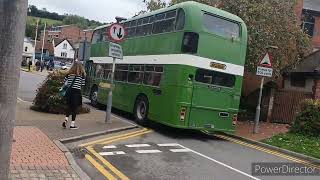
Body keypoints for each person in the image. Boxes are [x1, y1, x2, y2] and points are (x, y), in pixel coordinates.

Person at [62, 61, 86, 129]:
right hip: (76, 92)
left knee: (69, 106)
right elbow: (83, 85)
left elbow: (64, 82)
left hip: (69, 92)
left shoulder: (68, 74)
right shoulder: (82, 75)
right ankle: (72, 125)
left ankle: (65, 120)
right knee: (74, 109)